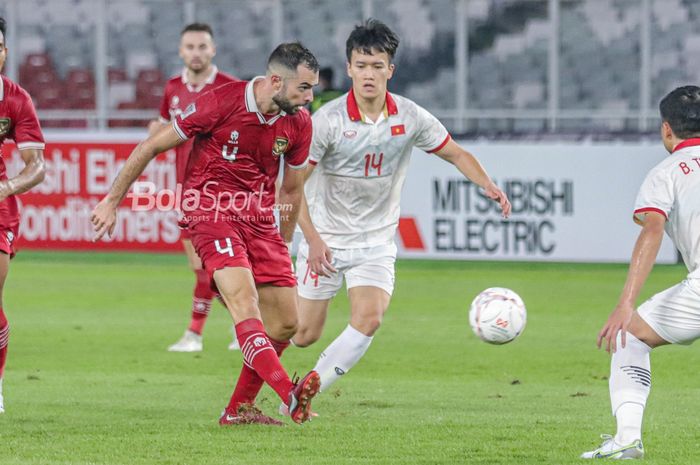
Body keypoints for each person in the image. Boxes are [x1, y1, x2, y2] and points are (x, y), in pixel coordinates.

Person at [91, 42, 321, 425]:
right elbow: (152, 145)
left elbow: (292, 189)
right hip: (210, 214)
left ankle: (237, 411)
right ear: (276, 81)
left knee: (286, 323)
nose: (310, 97)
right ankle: (289, 393)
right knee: (244, 302)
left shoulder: (299, 122)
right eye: (304, 88)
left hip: (262, 221)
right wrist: (112, 200)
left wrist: (283, 240)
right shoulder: (221, 102)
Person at [289, 19, 511, 402]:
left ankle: (305, 392)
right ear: (349, 69)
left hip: (375, 242)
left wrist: (487, 184)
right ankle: (256, 321)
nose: (369, 74)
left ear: (391, 69)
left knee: (370, 318)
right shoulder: (326, 122)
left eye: (377, 66)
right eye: (361, 66)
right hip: (324, 239)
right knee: (302, 334)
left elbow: (455, 152)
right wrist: (311, 238)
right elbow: (293, 186)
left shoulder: (410, 116)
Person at [581, 85, 700, 460]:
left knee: (629, 336)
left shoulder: (665, 173)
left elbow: (651, 230)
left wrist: (625, 304)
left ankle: (628, 438)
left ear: (667, 129)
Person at [147, 23, 238, 353]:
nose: (196, 53)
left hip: (223, 191)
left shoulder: (230, 88)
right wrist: (156, 130)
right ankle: (245, 327)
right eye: (190, 47)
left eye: (202, 46)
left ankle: (195, 334)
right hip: (186, 191)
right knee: (203, 267)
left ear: (213, 50)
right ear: (181, 51)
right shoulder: (173, 89)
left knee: (214, 267)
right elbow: (163, 131)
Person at [0, 16, 47, 414]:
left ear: (4, 52)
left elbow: (37, 167)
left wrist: (6, 187)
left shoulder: (16, 99)